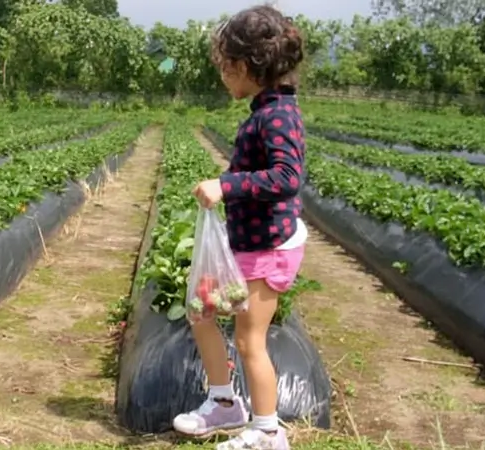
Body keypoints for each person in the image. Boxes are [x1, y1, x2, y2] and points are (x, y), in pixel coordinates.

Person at [173, 5, 307, 450]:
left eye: (226, 68)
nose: (222, 77)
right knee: (201, 311)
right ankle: (224, 403)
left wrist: (226, 185)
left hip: (269, 247)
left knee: (250, 341)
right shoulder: (264, 110)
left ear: (247, 66)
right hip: (246, 243)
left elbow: (288, 177)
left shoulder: (279, 116)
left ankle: (268, 431)